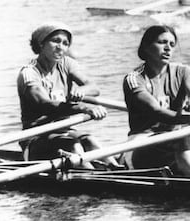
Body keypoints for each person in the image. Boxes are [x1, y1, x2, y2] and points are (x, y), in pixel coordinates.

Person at [122, 25, 190, 178]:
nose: (168, 48)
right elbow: (155, 111)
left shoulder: (183, 71)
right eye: (162, 42)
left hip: (173, 143)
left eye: (172, 44)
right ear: (146, 47)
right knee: (180, 138)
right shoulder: (134, 79)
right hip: (141, 146)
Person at [17, 21, 121, 169]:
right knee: (74, 145)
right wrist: (83, 108)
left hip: (64, 132)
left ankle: (115, 169)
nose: (61, 47)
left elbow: (93, 87)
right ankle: (93, 177)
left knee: (90, 140)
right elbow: (44, 104)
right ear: (41, 43)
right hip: (36, 138)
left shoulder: (66, 64)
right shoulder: (29, 73)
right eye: (56, 41)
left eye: (65, 43)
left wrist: (82, 91)